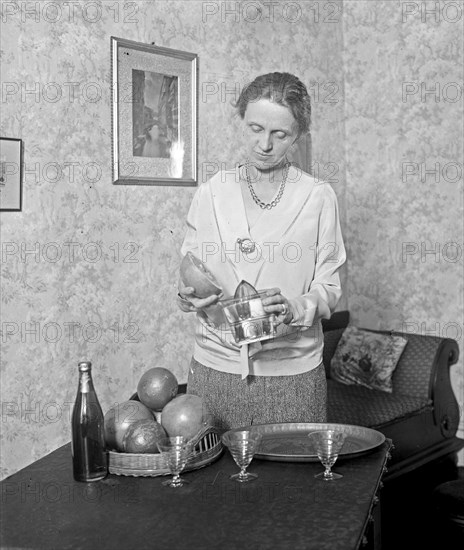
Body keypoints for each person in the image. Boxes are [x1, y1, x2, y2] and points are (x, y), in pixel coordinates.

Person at [177, 72, 346, 430]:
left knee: (293, 485)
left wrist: (294, 307)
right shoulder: (211, 193)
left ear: (297, 136)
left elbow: (329, 289)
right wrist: (187, 298)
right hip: (213, 371)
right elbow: (191, 272)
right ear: (242, 121)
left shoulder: (317, 198)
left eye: (279, 134)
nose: (264, 145)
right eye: (255, 128)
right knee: (212, 485)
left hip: (292, 378)